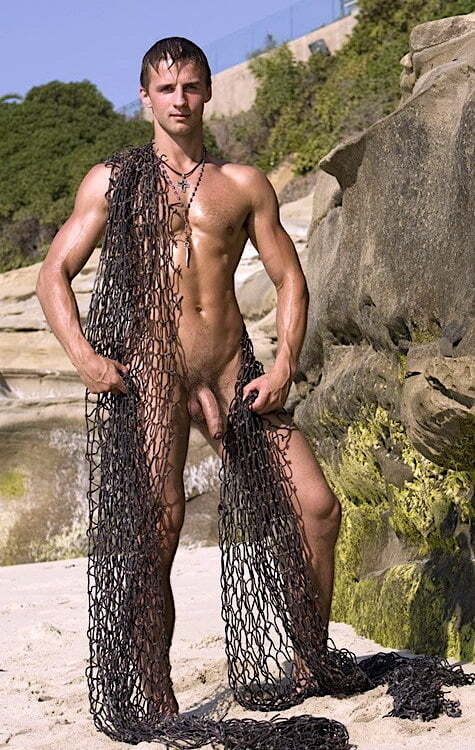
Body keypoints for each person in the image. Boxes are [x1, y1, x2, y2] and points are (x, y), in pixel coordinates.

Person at [35, 36, 342, 714]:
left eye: (191, 87)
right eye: (166, 88)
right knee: (158, 531)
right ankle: (159, 697)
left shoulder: (244, 184)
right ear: (145, 97)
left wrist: (285, 363)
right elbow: (53, 272)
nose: (179, 100)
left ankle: (308, 661)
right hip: (152, 379)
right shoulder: (111, 182)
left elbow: (290, 279)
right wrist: (83, 356)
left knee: (317, 509)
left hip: (232, 371)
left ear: (207, 93)